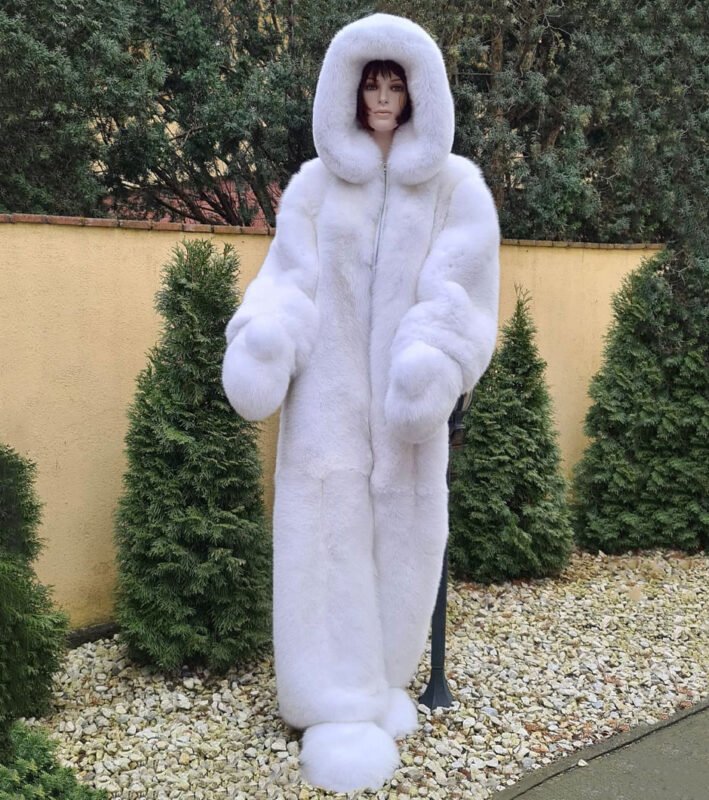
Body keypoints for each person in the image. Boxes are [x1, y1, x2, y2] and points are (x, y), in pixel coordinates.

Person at [222, 13, 500, 793]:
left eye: (394, 85)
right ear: (349, 92)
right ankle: (336, 706)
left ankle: (375, 684)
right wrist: (266, 339)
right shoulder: (314, 188)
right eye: (370, 84)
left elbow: (462, 289)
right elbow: (287, 280)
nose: (381, 97)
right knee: (325, 539)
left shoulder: (455, 189)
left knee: (406, 544)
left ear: (417, 95)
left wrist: (433, 360)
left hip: (404, 410)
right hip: (328, 406)